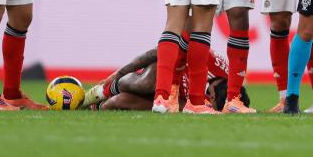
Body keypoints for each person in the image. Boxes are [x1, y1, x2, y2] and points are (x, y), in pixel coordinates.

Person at [83, 41, 249, 112]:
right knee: (146, 83)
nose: (209, 103)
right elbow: (159, 51)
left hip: (171, 97)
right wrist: (118, 73)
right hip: (159, 75)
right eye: (211, 99)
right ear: (214, 92)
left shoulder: (210, 102)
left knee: (117, 103)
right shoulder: (210, 60)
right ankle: (102, 91)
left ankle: (100, 103)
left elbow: (176, 106)